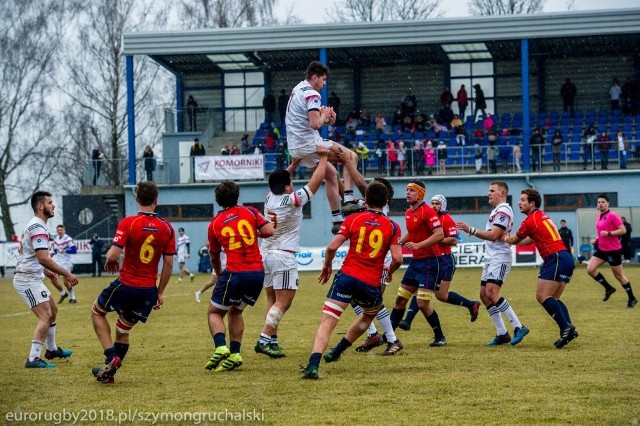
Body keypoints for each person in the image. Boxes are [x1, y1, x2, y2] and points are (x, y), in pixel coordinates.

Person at [300, 181, 402, 379]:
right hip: (370, 282)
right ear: (386, 201)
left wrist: (327, 265)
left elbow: (331, 247)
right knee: (368, 315)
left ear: (365, 201)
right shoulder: (392, 226)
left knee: (328, 322)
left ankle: (313, 365)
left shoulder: (354, 219)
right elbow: (398, 258)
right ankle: (337, 351)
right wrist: (390, 270)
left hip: (347, 277)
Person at [91, 181, 176, 384]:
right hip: (148, 291)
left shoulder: (129, 222)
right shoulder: (167, 228)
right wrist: (160, 292)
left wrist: (110, 260)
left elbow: (113, 254)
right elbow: (169, 264)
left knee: (97, 311)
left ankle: (111, 357)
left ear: (136, 199)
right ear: (156, 201)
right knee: (123, 329)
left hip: (127, 284)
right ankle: (108, 374)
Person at [254, 146, 329, 358]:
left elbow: (280, 182)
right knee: (284, 301)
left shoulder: (269, 197)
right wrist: (323, 158)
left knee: (272, 300)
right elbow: (315, 183)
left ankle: (273, 341)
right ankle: (263, 338)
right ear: (287, 187)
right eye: (290, 183)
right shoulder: (292, 200)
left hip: (266, 254)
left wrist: (294, 164)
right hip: (283, 256)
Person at [204, 180, 274, 373]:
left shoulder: (215, 223)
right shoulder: (250, 211)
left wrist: (219, 274)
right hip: (257, 273)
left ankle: (220, 347)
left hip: (236, 272)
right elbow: (269, 230)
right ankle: (235, 353)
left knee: (214, 312)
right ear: (237, 196)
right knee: (236, 312)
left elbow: (214, 255)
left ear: (218, 200)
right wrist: (252, 232)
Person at [285, 61, 359, 233]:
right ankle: (348, 200)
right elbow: (314, 124)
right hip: (309, 143)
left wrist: (326, 118)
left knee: (332, 175)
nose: (324, 84)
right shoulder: (312, 93)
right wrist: (325, 116)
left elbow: (310, 120)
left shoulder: (298, 89)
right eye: (323, 80)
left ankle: (337, 220)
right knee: (351, 157)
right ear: (315, 77)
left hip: (296, 147)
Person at [456, 181, 529, 346]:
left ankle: (518, 326)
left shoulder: (504, 210)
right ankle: (502, 333)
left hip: (500, 257)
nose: (489, 193)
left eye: (492, 191)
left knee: (491, 292)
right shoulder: (497, 210)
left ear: (502, 193)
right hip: (491, 257)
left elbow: (495, 235)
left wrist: (471, 230)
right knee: (484, 294)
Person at [504, 189, 578, 348]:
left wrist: (504, 237)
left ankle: (565, 327)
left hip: (555, 257)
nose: (519, 202)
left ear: (532, 203)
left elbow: (515, 238)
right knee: (554, 298)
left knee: (542, 295)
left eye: (523, 200)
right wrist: (511, 241)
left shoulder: (530, 220)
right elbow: (529, 239)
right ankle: (569, 329)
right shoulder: (541, 216)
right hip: (564, 257)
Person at [13, 191, 78, 368]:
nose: (53, 205)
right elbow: (43, 257)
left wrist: (46, 272)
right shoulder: (37, 227)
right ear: (40, 206)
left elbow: (33, 256)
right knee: (46, 315)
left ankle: (51, 350)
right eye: (50, 203)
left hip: (32, 277)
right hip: (26, 280)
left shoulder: (36, 225)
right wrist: (67, 273)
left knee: (53, 308)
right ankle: (33, 358)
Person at [398, 195, 480, 331]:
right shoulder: (429, 218)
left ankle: (471, 305)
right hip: (431, 259)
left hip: (445, 260)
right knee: (422, 288)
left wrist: (436, 238)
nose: (434, 206)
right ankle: (407, 320)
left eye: (437, 204)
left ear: (443, 205)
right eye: (433, 203)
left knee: (441, 295)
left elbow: (454, 240)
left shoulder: (447, 220)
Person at [387, 181, 447, 347]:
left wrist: (418, 245)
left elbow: (439, 235)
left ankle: (440, 337)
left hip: (430, 262)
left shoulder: (428, 211)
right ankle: (388, 336)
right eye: (406, 190)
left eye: (411, 190)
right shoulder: (408, 212)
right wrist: (395, 242)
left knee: (422, 303)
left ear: (420, 194)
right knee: (400, 299)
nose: (407, 193)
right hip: (416, 263)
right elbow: (412, 233)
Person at [586, 194, 637, 308]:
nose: (600, 204)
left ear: (608, 203)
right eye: (599, 202)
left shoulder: (613, 215)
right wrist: (597, 239)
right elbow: (601, 232)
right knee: (590, 269)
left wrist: (609, 234)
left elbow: (623, 230)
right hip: (601, 250)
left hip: (613, 251)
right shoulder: (598, 216)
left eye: (603, 202)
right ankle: (609, 288)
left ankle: (632, 298)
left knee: (619, 276)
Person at [50, 224, 77, 304]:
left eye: (61, 230)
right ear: (56, 231)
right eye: (58, 230)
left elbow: (74, 250)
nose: (60, 231)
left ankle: (73, 297)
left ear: (64, 230)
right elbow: (56, 250)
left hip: (67, 263)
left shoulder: (68, 239)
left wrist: (65, 251)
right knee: (53, 278)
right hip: (59, 263)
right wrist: (51, 254)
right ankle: (63, 293)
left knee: (66, 282)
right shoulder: (56, 239)